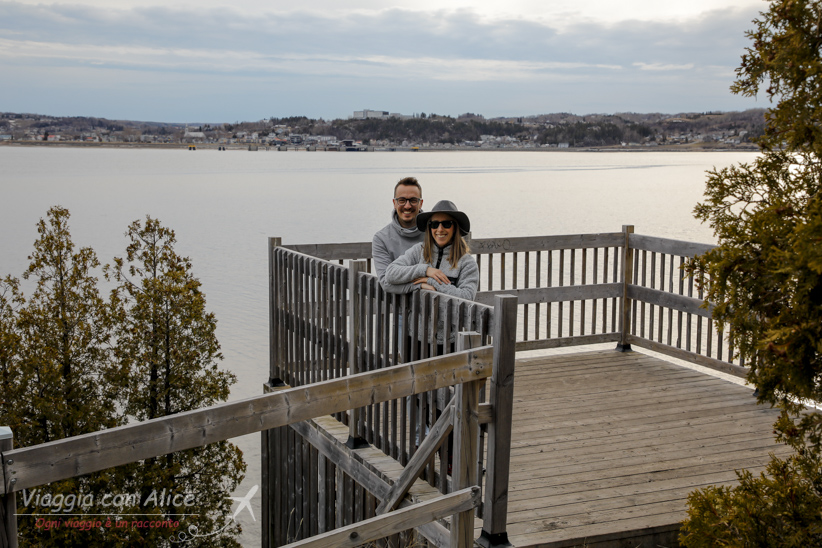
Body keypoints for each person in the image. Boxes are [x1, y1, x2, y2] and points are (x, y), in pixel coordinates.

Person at [383, 200, 479, 345]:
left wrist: (431, 281)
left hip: (448, 342)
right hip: (414, 337)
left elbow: (466, 298)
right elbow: (390, 273)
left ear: (455, 227)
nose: (440, 229)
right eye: (434, 224)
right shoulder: (418, 251)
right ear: (429, 228)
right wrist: (425, 270)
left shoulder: (467, 263)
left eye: (446, 224)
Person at [372, 177, 425, 292]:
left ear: (420, 203)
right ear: (394, 203)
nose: (407, 206)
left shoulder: (435, 232)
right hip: (400, 308)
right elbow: (386, 283)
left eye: (413, 200)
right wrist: (420, 285)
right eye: (402, 200)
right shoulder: (381, 239)